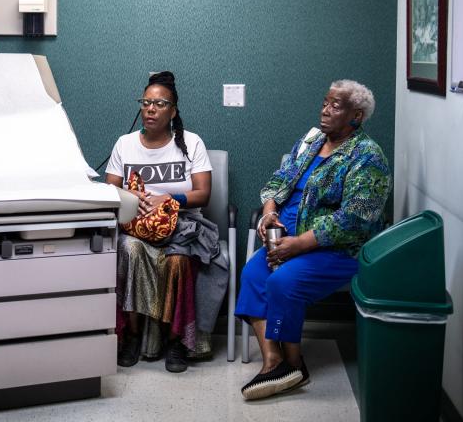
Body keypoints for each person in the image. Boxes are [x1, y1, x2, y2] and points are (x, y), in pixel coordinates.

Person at [235, 79, 391, 400]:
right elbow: (280, 180)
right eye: (325, 102)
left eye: (336, 106)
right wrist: (268, 212)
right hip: (287, 238)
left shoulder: (368, 156)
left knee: (283, 283)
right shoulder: (311, 140)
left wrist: (298, 245)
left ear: (356, 116)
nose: (325, 110)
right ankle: (275, 362)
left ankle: (294, 363)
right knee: (252, 275)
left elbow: (354, 220)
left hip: (336, 249)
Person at [106, 71, 225, 373]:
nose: (150, 109)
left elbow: (203, 194)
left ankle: (176, 341)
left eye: (159, 103)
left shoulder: (191, 143)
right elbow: (109, 190)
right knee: (128, 251)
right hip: (136, 225)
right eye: (146, 102)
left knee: (177, 260)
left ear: (173, 111)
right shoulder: (125, 144)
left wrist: (170, 199)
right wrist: (130, 194)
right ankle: (132, 334)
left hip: (183, 226)